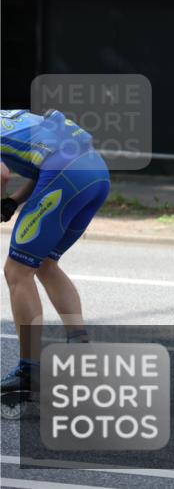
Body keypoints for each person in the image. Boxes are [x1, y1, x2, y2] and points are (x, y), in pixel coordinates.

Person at [0, 109, 110, 409]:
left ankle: (28, 371)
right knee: (46, 264)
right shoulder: (13, 119)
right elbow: (43, 165)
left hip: (67, 173)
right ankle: (80, 346)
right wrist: (12, 202)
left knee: (17, 271)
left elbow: (2, 174)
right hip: (96, 174)